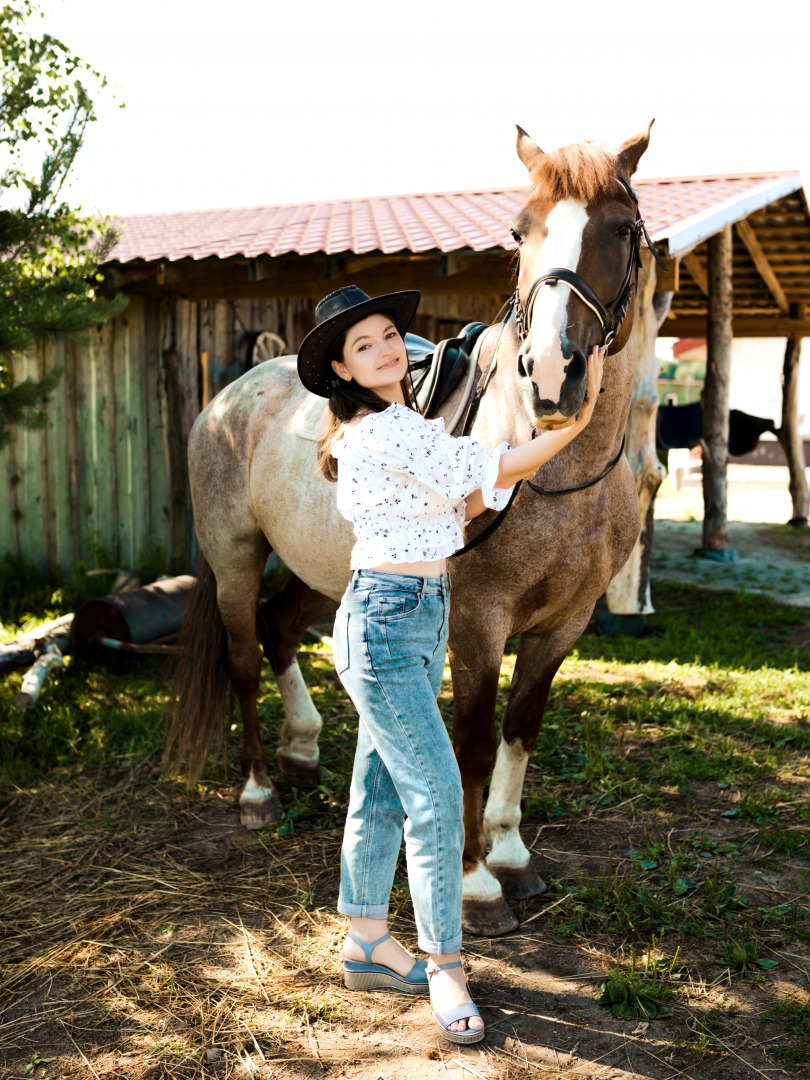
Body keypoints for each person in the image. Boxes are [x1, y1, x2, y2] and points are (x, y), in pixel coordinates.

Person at [297, 286, 604, 1045]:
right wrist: (581, 421)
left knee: (377, 786)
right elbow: (502, 463)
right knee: (435, 802)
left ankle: (367, 941)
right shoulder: (382, 430)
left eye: (389, 334)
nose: (387, 348)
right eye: (363, 344)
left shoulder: (398, 427)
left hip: (412, 616)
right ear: (340, 367)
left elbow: (464, 504)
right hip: (385, 625)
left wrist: (490, 471)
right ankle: (444, 965)